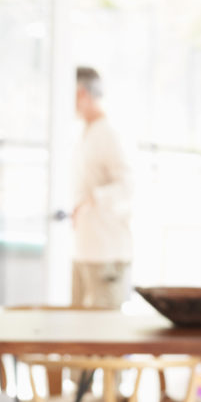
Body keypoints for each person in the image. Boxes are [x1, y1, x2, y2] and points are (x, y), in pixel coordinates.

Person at [70, 65, 136, 310]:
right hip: (83, 250)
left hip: (106, 252)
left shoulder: (110, 133)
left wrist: (91, 200)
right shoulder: (84, 133)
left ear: (81, 94)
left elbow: (128, 185)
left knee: (103, 333)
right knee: (77, 332)